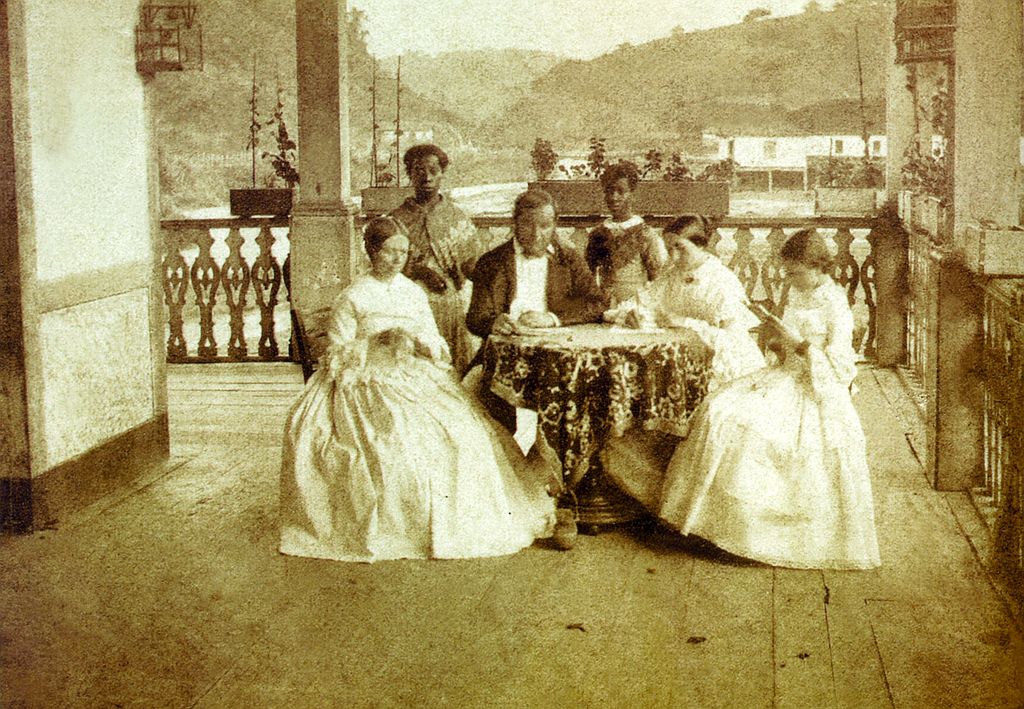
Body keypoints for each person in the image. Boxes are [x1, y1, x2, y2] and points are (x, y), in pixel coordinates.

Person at [279, 217, 554, 563]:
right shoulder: (354, 296)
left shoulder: (412, 293)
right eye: (389, 251)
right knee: (395, 440)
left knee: (461, 436)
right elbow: (336, 355)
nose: (396, 259)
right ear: (371, 251)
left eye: (402, 252)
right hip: (364, 380)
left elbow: (436, 342)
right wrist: (376, 341)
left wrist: (424, 346)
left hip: (414, 373)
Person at [657, 229, 881, 570]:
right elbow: (778, 347)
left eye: (795, 272)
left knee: (755, 433)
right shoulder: (794, 290)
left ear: (819, 266)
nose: (789, 280)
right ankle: (720, 527)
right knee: (719, 411)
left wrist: (802, 345)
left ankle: (764, 536)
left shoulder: (836, 302)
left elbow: (840, 367)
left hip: (814, 389)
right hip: (783, 375)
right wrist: (777, 338)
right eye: (788, 273)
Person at [600, 215, 765, 509]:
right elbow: (641, 302)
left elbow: (733, 341)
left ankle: (691, 505)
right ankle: (652, 498)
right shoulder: (671, 274)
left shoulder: (721, 282)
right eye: (670, 249)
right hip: (678, 369)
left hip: (725, 373)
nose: (674, 257)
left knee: (710, 424)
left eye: (681, 249)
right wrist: (630, 315)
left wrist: (685, 323)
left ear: (702, 246)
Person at [466, 188, 608, 436]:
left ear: (555, 224)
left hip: (560, 359)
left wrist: (552, 319)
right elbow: (475, 318)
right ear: (515, 223)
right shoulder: (492, 262)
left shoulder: (568, 258)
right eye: (527, 225)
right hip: (505, 358)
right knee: (486, 425)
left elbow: (597, 302)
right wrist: (493, 322)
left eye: (545, 226)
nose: (536, 234)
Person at [389, 143, 480, 375]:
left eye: (433, 170)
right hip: (407, 304)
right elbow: (385, 266)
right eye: (419, 170)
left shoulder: (456, 217)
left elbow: (472, 264)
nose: (426, 177)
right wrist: (419, 271)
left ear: (442, 174)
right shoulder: (396, 220)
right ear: (410, 174)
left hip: (448, 304)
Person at [585, 161, 668, 306]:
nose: (614, 197)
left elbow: (656, 277)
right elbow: (587, 274)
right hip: (605, 305)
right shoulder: (598, 234)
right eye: (609, 191)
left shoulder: (645, 234)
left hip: (636, 304)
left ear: (632, 194)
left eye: (621, 191)